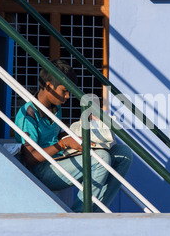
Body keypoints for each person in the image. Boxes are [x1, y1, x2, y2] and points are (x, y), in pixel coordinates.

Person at [14, 59, 132, 212]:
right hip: (42, 171)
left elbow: (57, 134)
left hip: (61, 159)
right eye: (65, 91)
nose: (68, 96)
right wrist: (64, 144)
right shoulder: (27, 115)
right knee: (101, 158)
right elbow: (30, 159)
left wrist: (79, 132)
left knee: (124, 154)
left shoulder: (55, 108)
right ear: (49, 86)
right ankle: (80, 214)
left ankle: (96, 212)